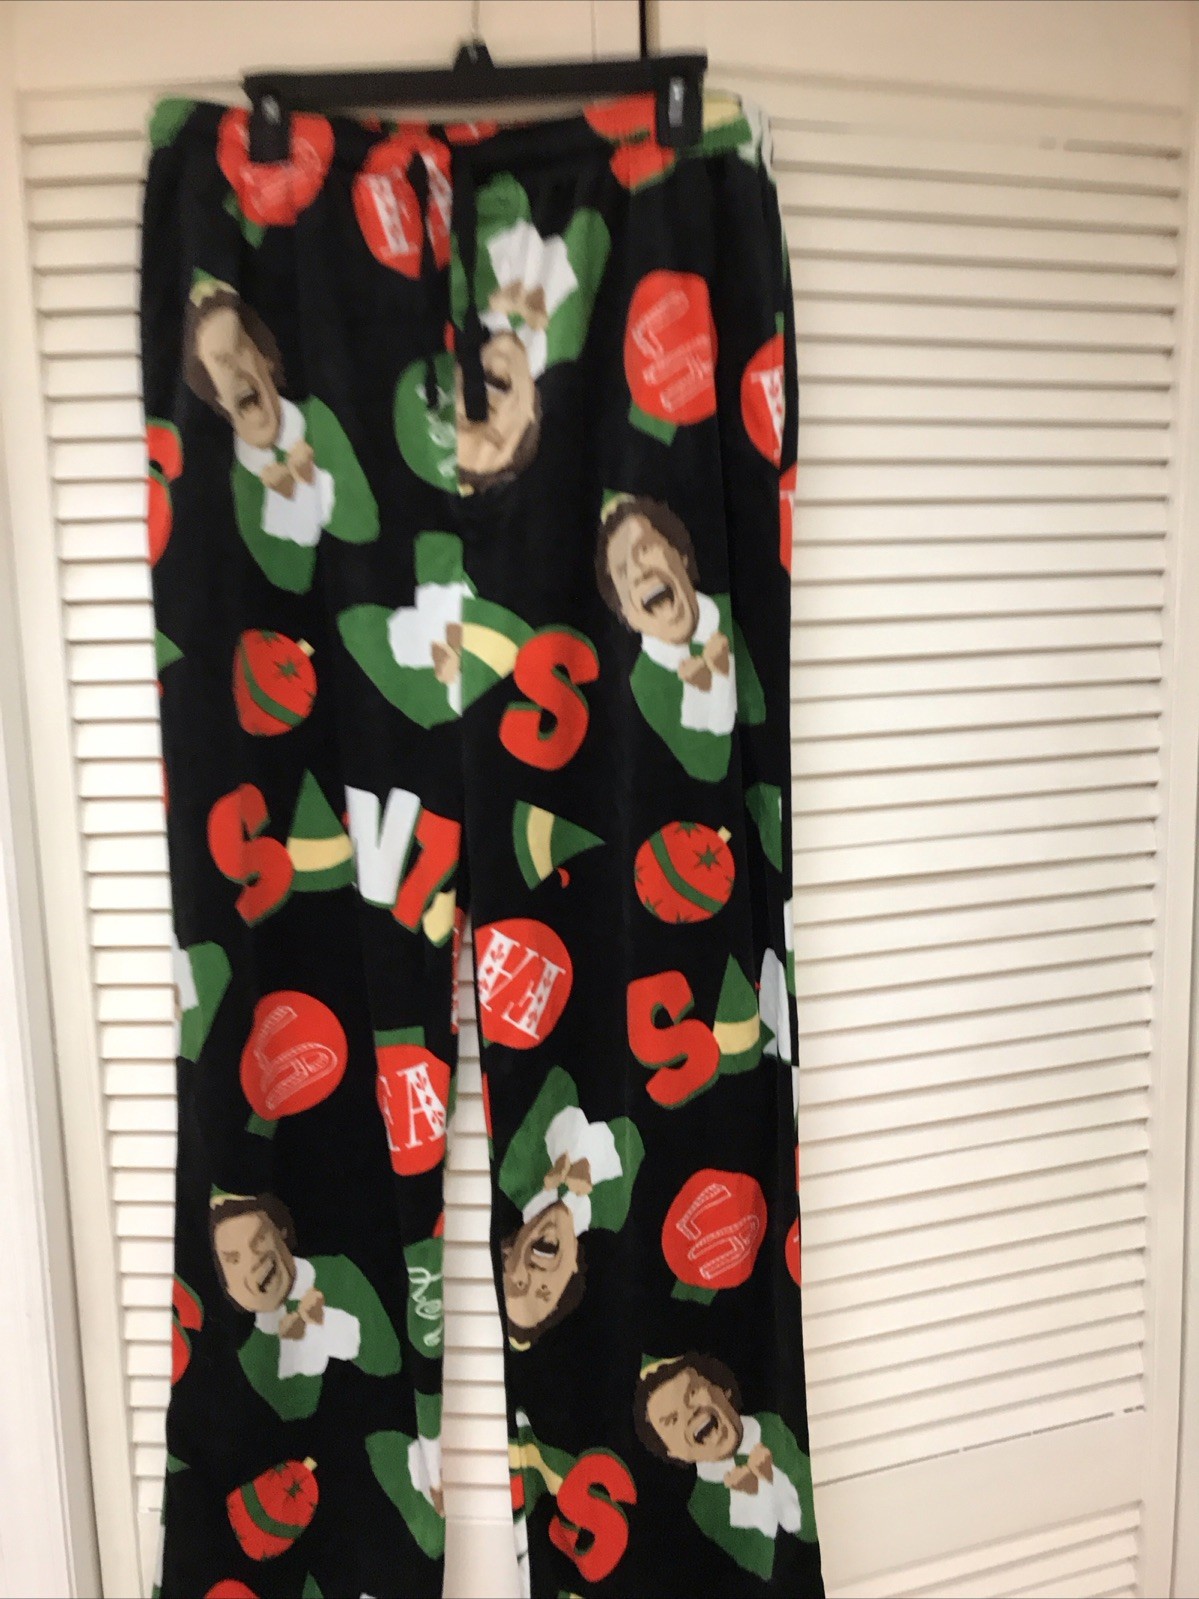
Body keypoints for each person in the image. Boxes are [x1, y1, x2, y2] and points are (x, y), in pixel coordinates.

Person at [183, 278, 377, 592]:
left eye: (239, 351)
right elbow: (292, 579)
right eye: (221, 363)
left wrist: (310, 479)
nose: (235, 372)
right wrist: (290, 493)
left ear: (266, 359)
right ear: (217, 397)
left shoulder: (318, 416)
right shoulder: (237, 479)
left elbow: (364, 524)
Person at [596, 496, 765, 782]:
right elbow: (710, 768)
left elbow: (759, 715)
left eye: (645, 549)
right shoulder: (645, 679)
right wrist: (710, 683)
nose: (639, 572)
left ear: (681, 556)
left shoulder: (731, 612)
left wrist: (719, 675)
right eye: (623, 572)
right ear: (628, 615)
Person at [209, 1192, 401, 1420]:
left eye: (259, 1239)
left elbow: (388, 1361)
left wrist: (324, 1320)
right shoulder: (250, 1352)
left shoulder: (339, 1274)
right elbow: (297, 1412)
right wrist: (296, 1340)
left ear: (281, 1232)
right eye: (234, 1259)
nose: (253, 1261)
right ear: (228, 1287)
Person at [633, 1352, 817, 1581]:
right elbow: (761, 1572)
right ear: (672, 1451)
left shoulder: (772, 1427)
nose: (690, 1412)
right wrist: (752, 1494)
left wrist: (770, 1478)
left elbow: (815, 1526)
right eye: (672, 1420)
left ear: (723, 1389)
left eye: (693, 1393)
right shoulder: (702, 1505)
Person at [498, 1067, 643, 1348]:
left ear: (507, 1255)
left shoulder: (513, 1173)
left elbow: (559, 1078)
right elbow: (632, 1134)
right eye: (544, 1292)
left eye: (519, 1284)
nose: (535, 1274)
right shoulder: (612, 1212)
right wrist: (590, 1164)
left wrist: (560, 1152)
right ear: (572, 1269)